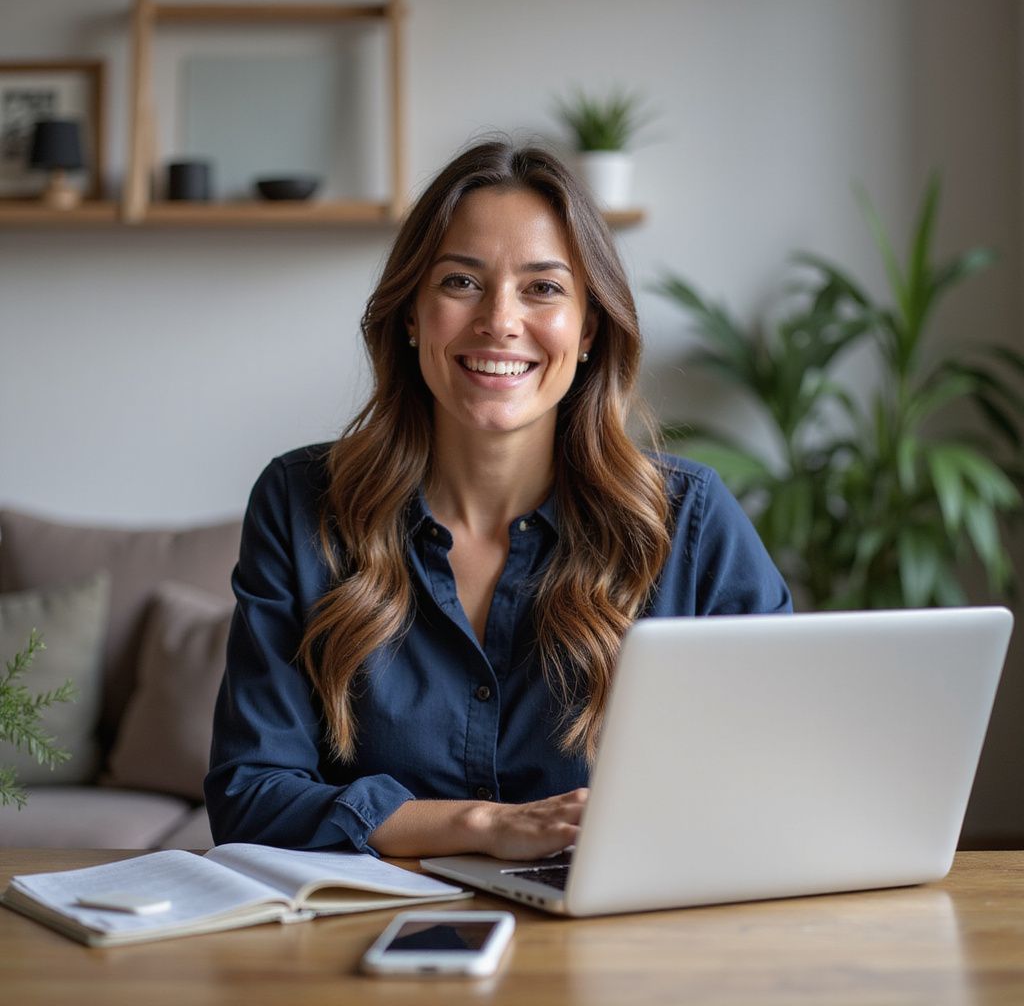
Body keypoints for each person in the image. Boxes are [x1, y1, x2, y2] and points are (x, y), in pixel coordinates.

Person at [205, 139, 791, 861]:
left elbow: (779, 778)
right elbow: (250, 794)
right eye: (460, 282)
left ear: (588, 330)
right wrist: (480, 826)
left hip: (622, 944)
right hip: (365, 946)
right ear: (412, 314)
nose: (499, 320)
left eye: (543, 288)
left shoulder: (689, 521)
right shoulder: (300, 507)